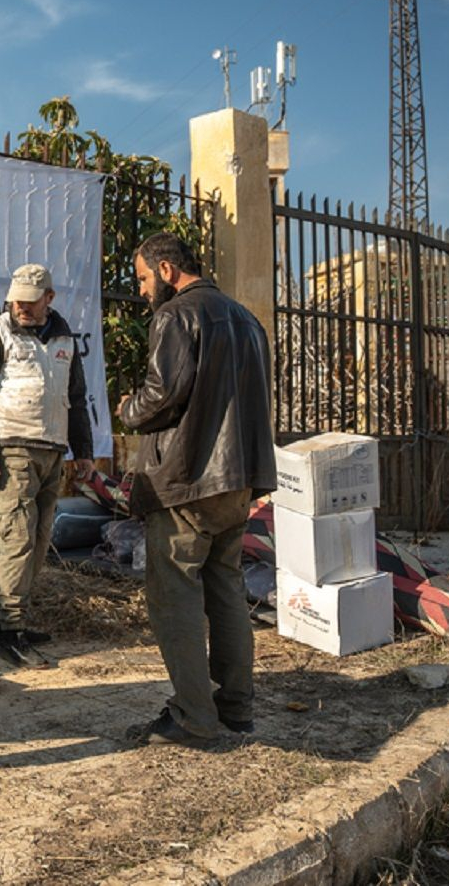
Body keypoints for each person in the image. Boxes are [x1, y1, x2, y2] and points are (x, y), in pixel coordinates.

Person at [115, 231, 275, 746]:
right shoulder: (247, 320)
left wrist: (128, 409)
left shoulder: (176, 315)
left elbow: (163, 393)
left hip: (188, 481)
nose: (140, 291)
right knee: (225, 588)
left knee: (174, 594)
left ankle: (192, 716)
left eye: (141, 278)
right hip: (239, 479)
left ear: (165, 271)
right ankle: (235, 709)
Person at [0, 263, 94, 668]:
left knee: (38, 543)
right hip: (12, 451)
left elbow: (77, 396)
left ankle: (6, 623)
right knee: (17, 541)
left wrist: (82, 451)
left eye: (30, 301)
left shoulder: (65, 337)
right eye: (16, 299)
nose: (21, 306)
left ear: (49, 298)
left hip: (52, 451)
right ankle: (10, 629)